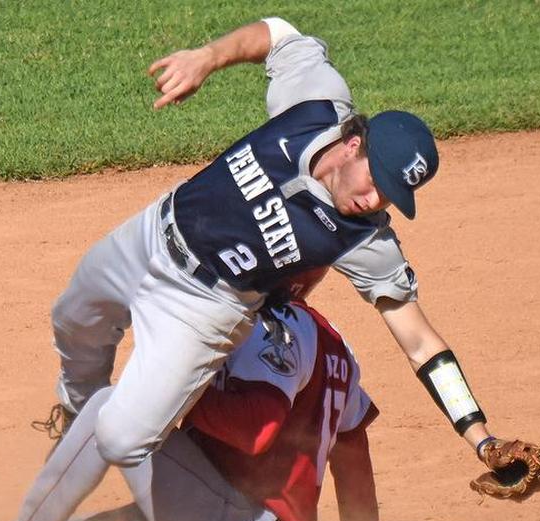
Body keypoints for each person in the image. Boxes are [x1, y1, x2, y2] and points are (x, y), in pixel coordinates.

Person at [41, 17, 504, 474]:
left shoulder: (367, 239)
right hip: (153, 232)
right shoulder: (316, 106)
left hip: (204, 307)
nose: (374, 200)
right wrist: (207, 58)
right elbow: (280, 34)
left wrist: (481, 439)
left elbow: (421, 343)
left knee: (122, 442)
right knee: (73, 318)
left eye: (391, 196)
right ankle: (76, 426)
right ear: (353, 144)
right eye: (376, 182)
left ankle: (189, 476)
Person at [0, 272, 383, 521]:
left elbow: (256, 430)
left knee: (112, 409)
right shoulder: (335, 344)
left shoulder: (274, 325)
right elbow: (352, 450)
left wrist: (177, 396)